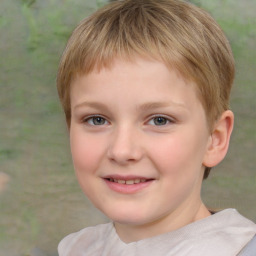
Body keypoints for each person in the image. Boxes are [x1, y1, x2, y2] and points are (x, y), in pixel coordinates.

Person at [56, 0, 256, 255]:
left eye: (159, 120)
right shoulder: (76, 249)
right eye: (97, 119)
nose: (121, 150)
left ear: (214, 139)